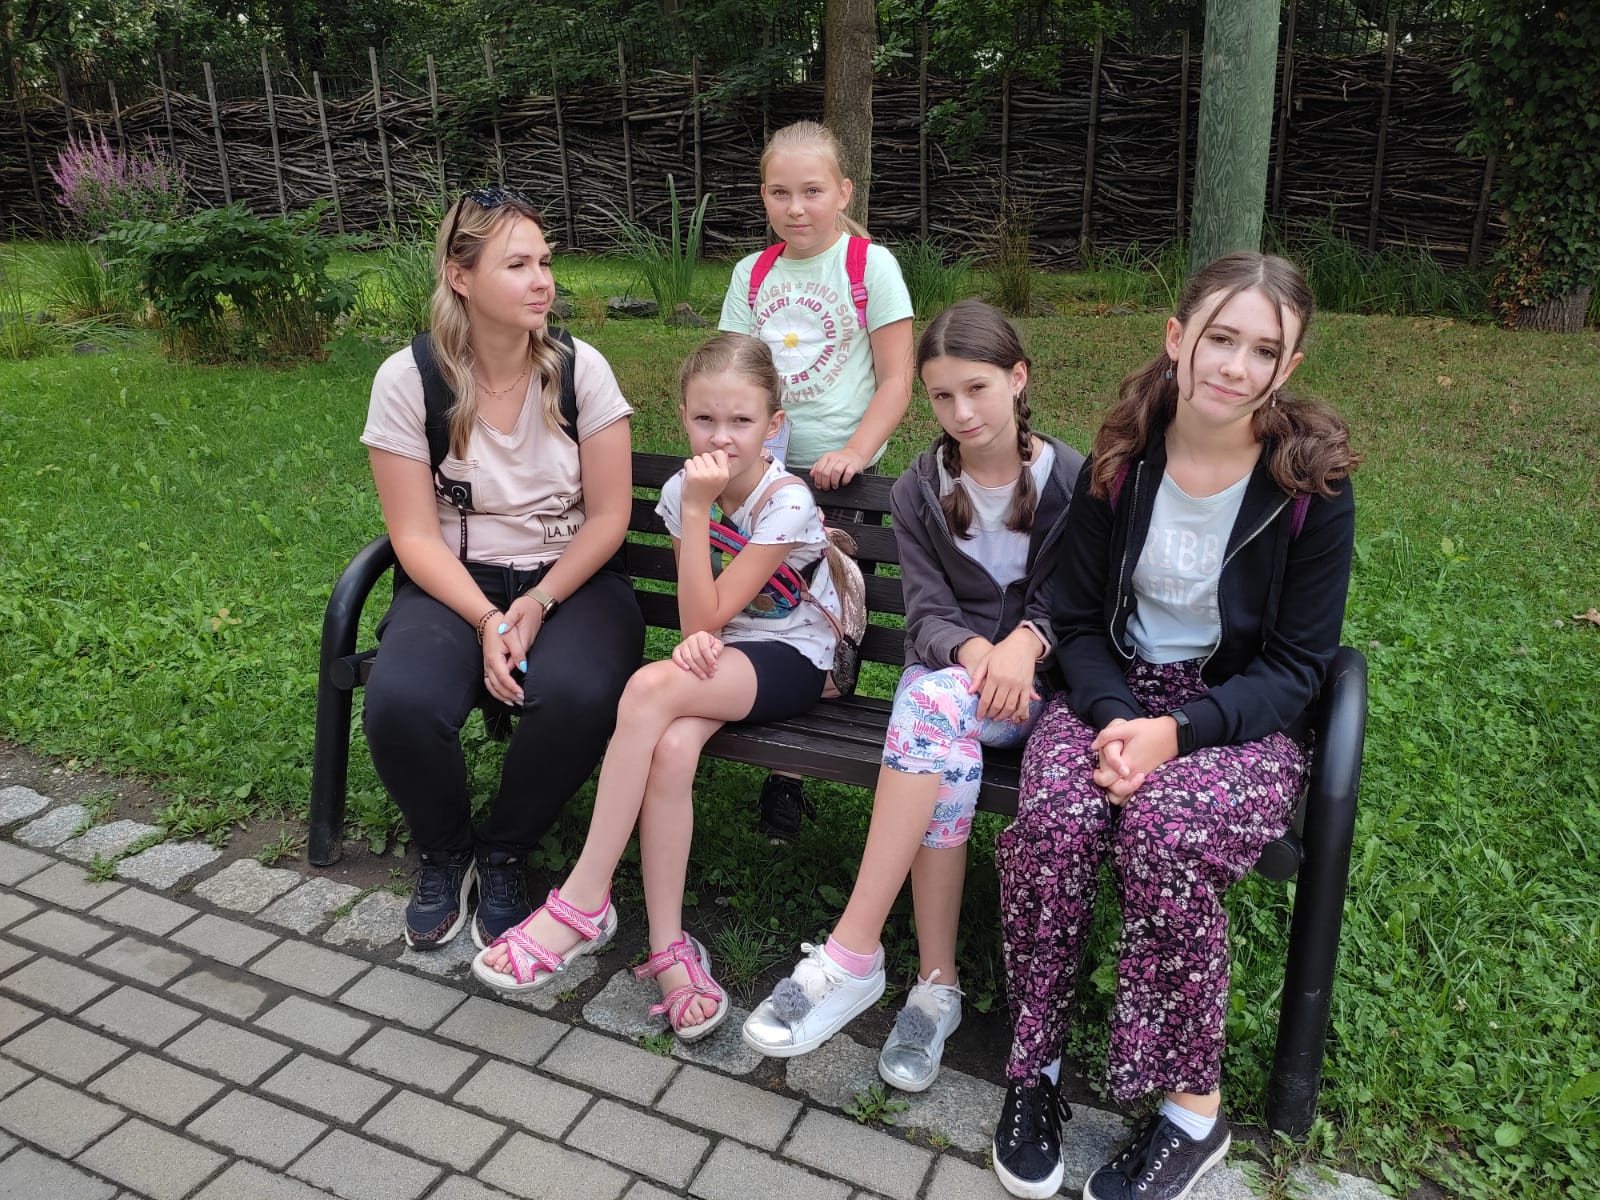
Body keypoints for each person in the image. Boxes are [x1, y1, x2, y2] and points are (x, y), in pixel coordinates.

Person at [989, 252, 1358, 1200]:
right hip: (1112, 691)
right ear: (1177, 338)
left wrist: (1177, 736)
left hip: (1236, 716)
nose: (1235, 365)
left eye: (1263, 350)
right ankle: (1036, 1066)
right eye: (1220, 338)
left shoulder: (1309, 488)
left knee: (1165, 830)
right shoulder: (1121, 462)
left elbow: (1298, 669)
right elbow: (1077, 622)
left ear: (1289, 365)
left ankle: (1194, 1113)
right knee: (1055, 823)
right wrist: (1120, 720)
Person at [742, 300, 1084, 1092]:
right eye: (941, 396)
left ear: (1019, 378)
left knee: (927, 712)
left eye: (978, 389)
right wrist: (975, 653)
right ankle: (937, 989)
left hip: (1038, 699)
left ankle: (852, 953)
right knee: (943, 748)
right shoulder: (922, 488)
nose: (962, 413)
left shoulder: (1071, 480)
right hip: (950, 686)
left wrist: (1023, 647)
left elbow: (1077, 605)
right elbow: (927, 614)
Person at [470, 332, 845, 1042]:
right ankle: (671, 946)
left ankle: (583, 899)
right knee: (671, 749)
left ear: (774, 423)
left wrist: (700, 514)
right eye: (705, 419)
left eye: (741, 421)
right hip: (719, 654)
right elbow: (700, 617)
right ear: (682, 416)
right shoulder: (682, 490)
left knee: (646, 690)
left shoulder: (785, 501)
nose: (722, 437)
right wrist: (695, 521)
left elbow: (702, 616)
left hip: (791, 660)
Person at [359, 187, 644, 954]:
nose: (542, 281)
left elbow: (610, 517)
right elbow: (413, 534)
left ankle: (505, 849)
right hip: (458, 580)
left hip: (573, 578)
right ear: (460, 276)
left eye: (545, 263)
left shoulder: (580, 370)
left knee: (580, 693)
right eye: (517, 265)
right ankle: (446, 850)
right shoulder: (409, 380)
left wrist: (541, 600)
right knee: (401, 702)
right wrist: (486, 618)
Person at [718, 119, 915, 843]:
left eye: (811, 191)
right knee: (767, 609)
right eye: (780, 192)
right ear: (763, 196)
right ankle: (774, 739)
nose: (796, 207)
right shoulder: (753, 274)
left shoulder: (870, 265)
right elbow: (733, 372)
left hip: (840, 481)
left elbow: (896, 379)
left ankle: (791, 772)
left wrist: (856, 452)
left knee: (830, 617)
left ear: (843, 192)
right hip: (765, 477)